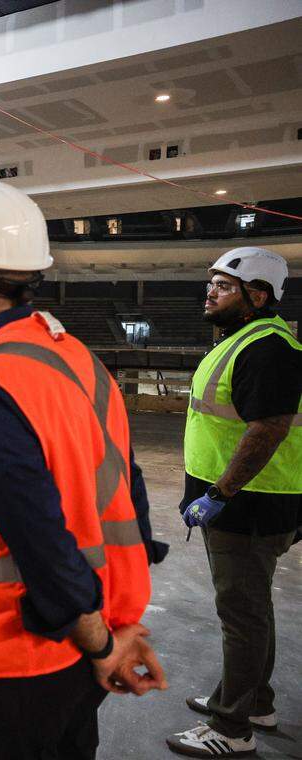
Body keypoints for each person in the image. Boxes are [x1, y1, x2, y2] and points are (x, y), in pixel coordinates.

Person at [0, 182, 168, 760]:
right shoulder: (79, 356)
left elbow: (37, 536)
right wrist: (115, 633)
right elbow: (128, 495)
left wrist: (104, 643)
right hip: (85, 650)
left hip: (14, 658)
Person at [168, 247, 301, 758]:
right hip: (245, 504)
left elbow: (267, 430)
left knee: (241, 616)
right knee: (252, 609)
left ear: (257, 295)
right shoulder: (246, 339)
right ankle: (253, 702)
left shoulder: (267, 347)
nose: (211, 292)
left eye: (223, 286)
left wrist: (219, 494)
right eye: (212, 284)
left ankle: (232, 728)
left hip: (246, 508)